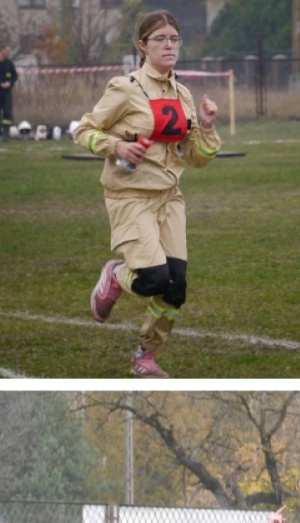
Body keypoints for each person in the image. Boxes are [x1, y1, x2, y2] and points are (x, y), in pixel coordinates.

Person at [73, 9, 221, 378]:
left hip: (169, 198)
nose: (169, 45)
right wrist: (116, 148)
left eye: (174, 39)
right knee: (153, 279)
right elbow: (83, 131)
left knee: (176, 288)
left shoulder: (184, 94)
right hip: (130, 196)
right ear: (143, 46)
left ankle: (145, 356)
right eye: (161, 39)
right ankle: (116, 274)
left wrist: (205, 127)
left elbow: (195, 158)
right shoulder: (125, 88)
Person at [0, 45, 17, 142]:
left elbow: (14, 76)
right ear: (1, 50)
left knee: (7, 113)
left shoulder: (9, 63)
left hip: (7, 93)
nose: (9, 53)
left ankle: (6, 134)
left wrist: (10, 83)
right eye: (7, 51)